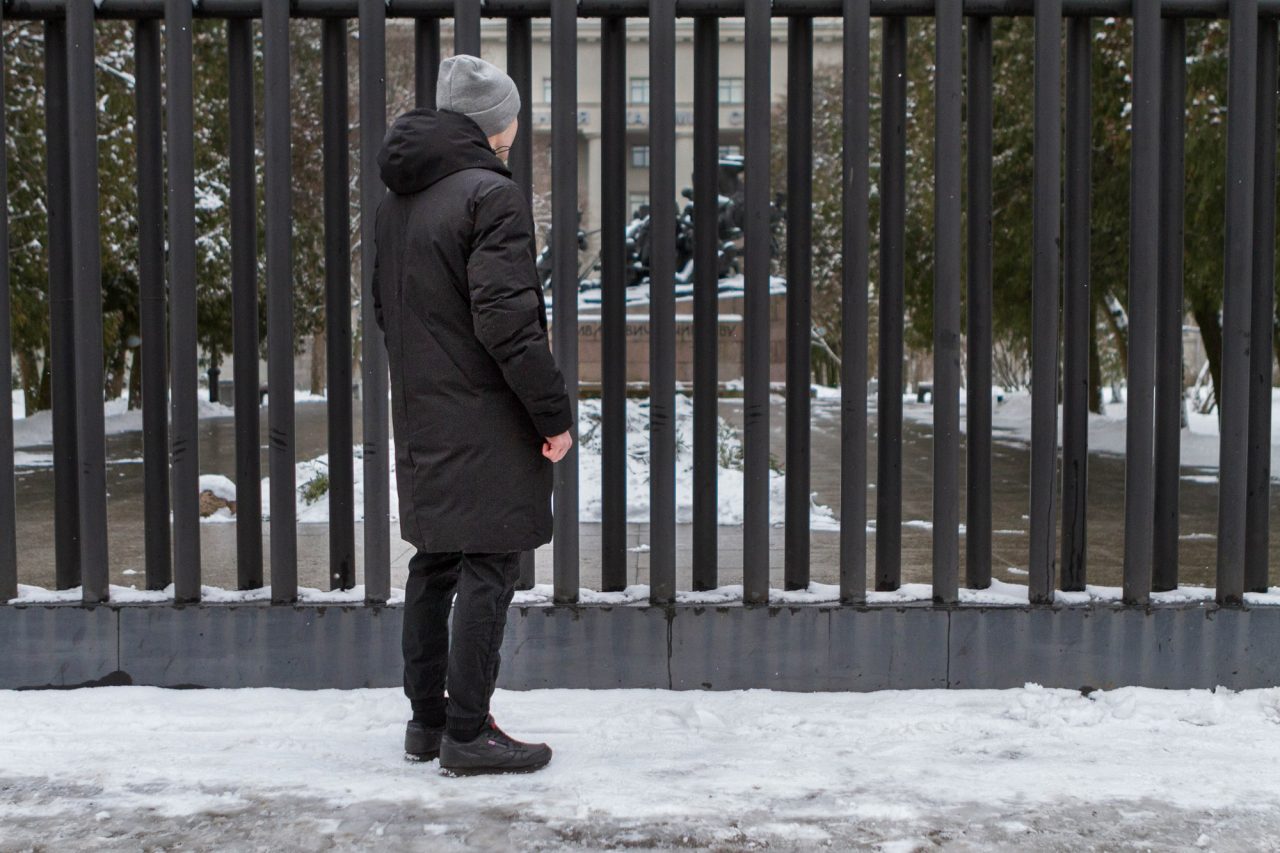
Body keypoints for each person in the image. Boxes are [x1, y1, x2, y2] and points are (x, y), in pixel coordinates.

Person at [373, 54, 573, 776]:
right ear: (495, 123)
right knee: (489, 562)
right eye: (513, 116)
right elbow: (508, 323)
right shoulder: (492, 195)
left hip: (423, 411)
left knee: (434, 561)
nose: (516, 128)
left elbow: (387, 312)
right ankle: (468, 732)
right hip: (485, 416)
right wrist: (552, 415)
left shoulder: (397, 201)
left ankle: (427, 724)